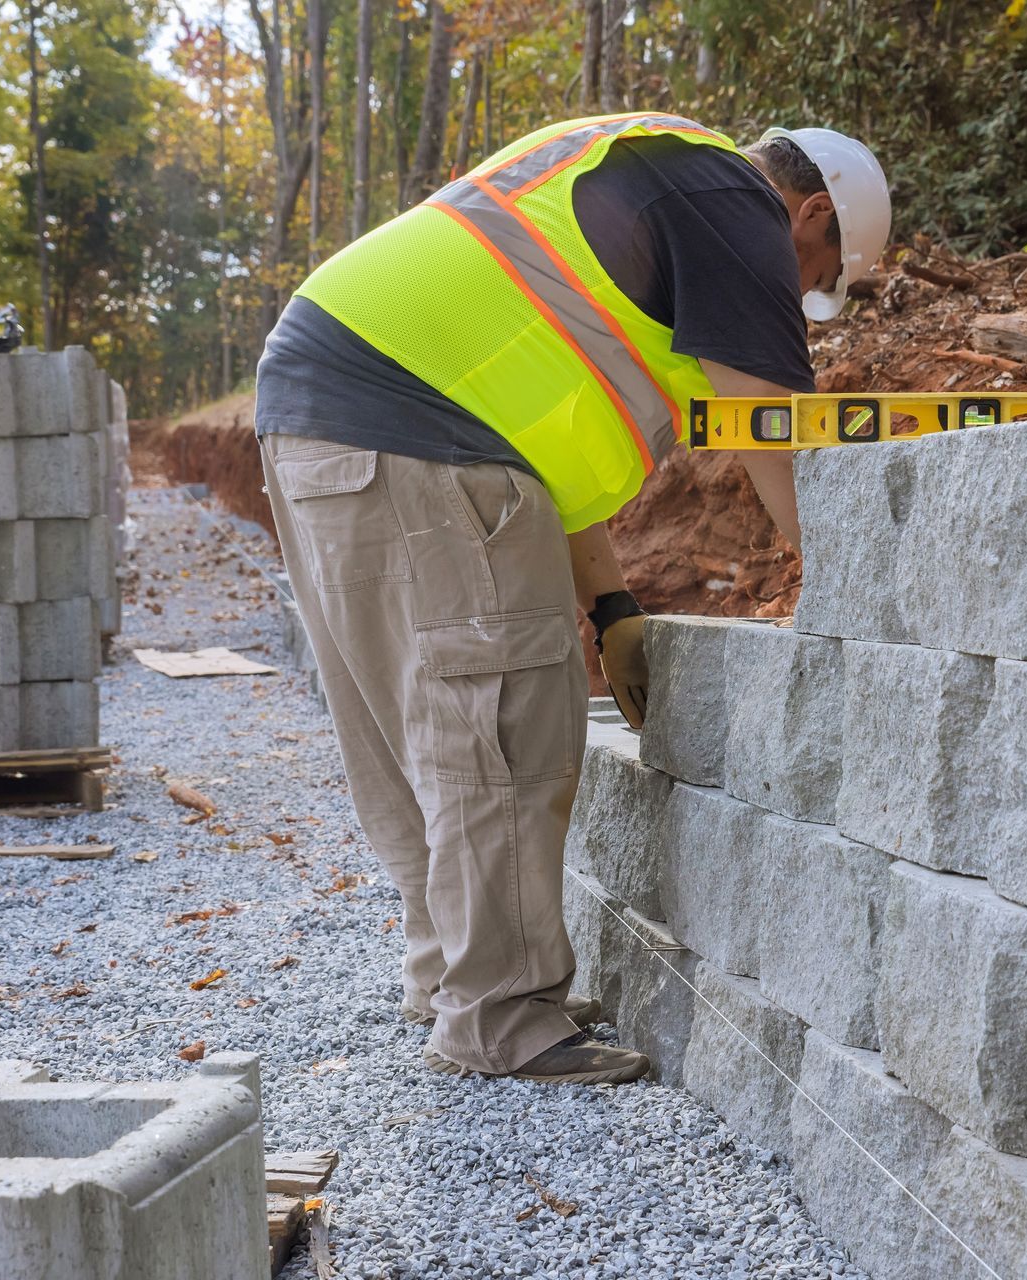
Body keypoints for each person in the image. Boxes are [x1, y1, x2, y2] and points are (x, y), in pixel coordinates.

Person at [253, 113, 889, 1085]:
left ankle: (454, 979)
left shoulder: (646, 170)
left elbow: (537, 448)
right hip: (414, 427)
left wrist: (612, 603)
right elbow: (781, 440)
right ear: (808, 214)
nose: (798, 294)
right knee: (504, 720)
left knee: (428, 722)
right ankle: (501, 1017)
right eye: (817, 275)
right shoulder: (733, 203)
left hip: (326, 411)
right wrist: (865, 598)